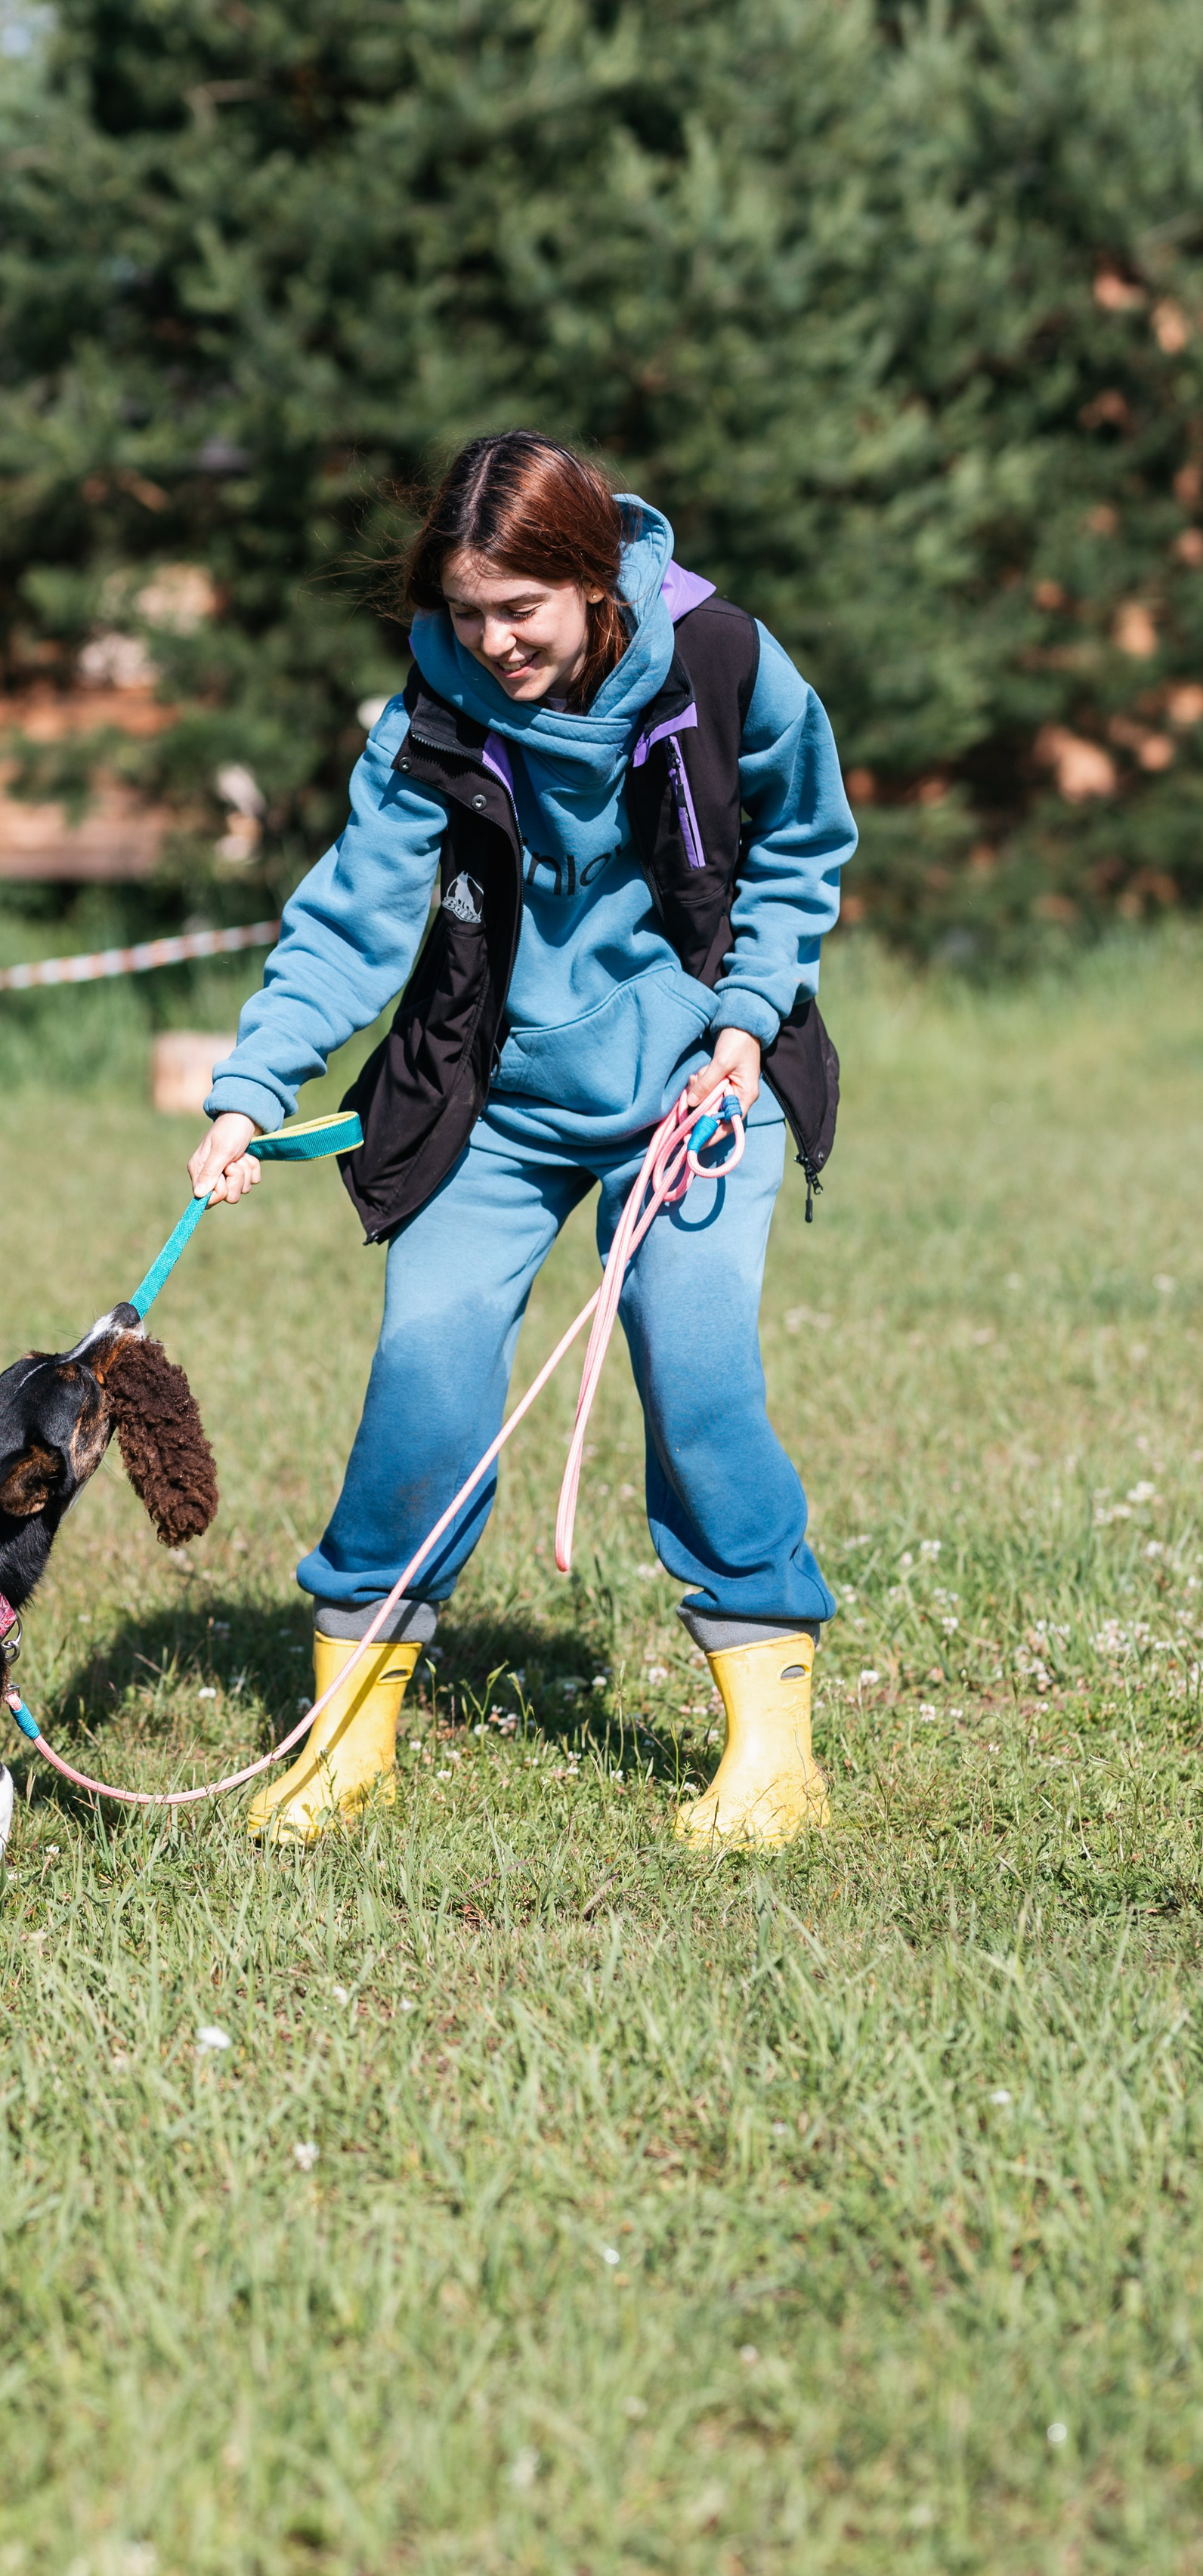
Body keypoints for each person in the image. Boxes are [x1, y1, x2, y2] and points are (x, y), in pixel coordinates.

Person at [188, 432, 855, 1851]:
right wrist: (253, 1085)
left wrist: (747, 1018)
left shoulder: (724, 660)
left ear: (593, 578)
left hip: (694, 1087)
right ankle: (351, 1732)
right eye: (466, 609)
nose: (492, 642)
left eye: (521, 611)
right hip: (491, 1099)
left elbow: (805, 845)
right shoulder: (434, 707)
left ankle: (774, 1748)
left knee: (701, 1362)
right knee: (423, 1366)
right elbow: (357, 908)